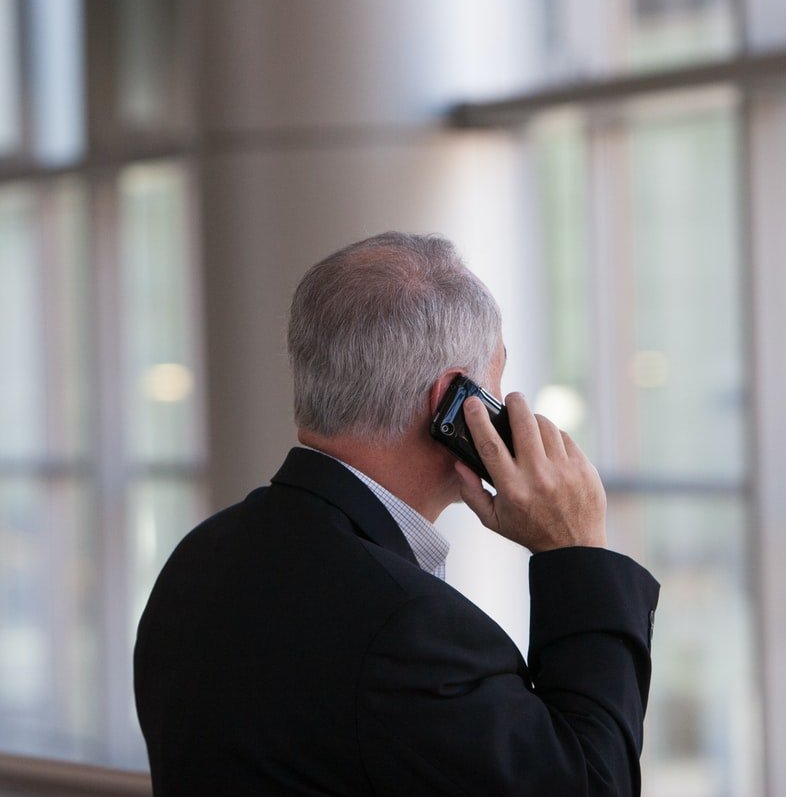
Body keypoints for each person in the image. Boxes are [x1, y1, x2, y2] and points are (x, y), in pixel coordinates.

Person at [133, 231, 660, 796]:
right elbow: (592, 783)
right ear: (453, 405)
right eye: (498, 380)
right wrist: (575, 553)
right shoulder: (408, 630)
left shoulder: (200, 556)